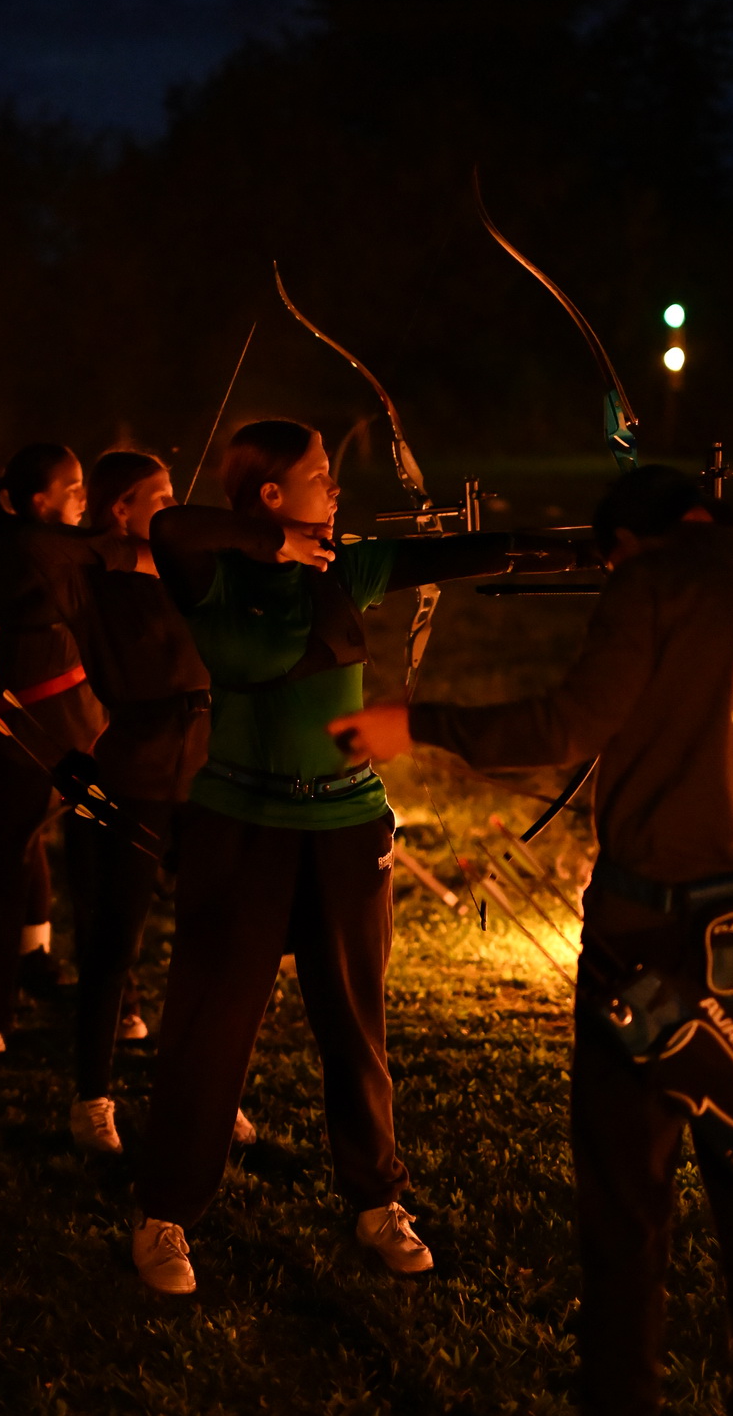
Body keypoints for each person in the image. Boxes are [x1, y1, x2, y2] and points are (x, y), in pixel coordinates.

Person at [332, 463, 733, 1416]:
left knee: (627, 1221)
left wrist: (413, 721)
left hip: (646, 944)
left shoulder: (650, 583)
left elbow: (568, 723)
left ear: (631, 540)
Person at [130, 417, 546, 1296]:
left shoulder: (341, 568)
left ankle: (376, 1199)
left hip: (346, 825)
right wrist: (268, 543)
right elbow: (169, 525)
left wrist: (572, 546)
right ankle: (165, 1211)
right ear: (271, 494)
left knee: (355, 1023)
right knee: (210, 1026)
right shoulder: (212, 570)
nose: (336, 487)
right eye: (320, 475)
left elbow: (454, 556)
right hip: (241, 823)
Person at [29, 447, 272, 1154]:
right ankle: (92, 1098)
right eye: (159, 498)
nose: (175, 507)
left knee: (216, 939)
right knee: (114, 944)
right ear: (120, 510)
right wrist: (121, 547)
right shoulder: (94, 582)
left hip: (209, 774)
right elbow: (44, 550)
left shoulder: (190, 572)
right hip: (135, 774)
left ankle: (210, 1090)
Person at [0, 443, 112, 1055]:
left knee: (97, 874)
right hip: (28, 732)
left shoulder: (61, 542)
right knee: (10, 866)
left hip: (85, 724)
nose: (82, 497)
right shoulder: (23, 543)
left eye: (83, 486)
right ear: (36, 501)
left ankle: (117, 1005)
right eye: (70, 488)